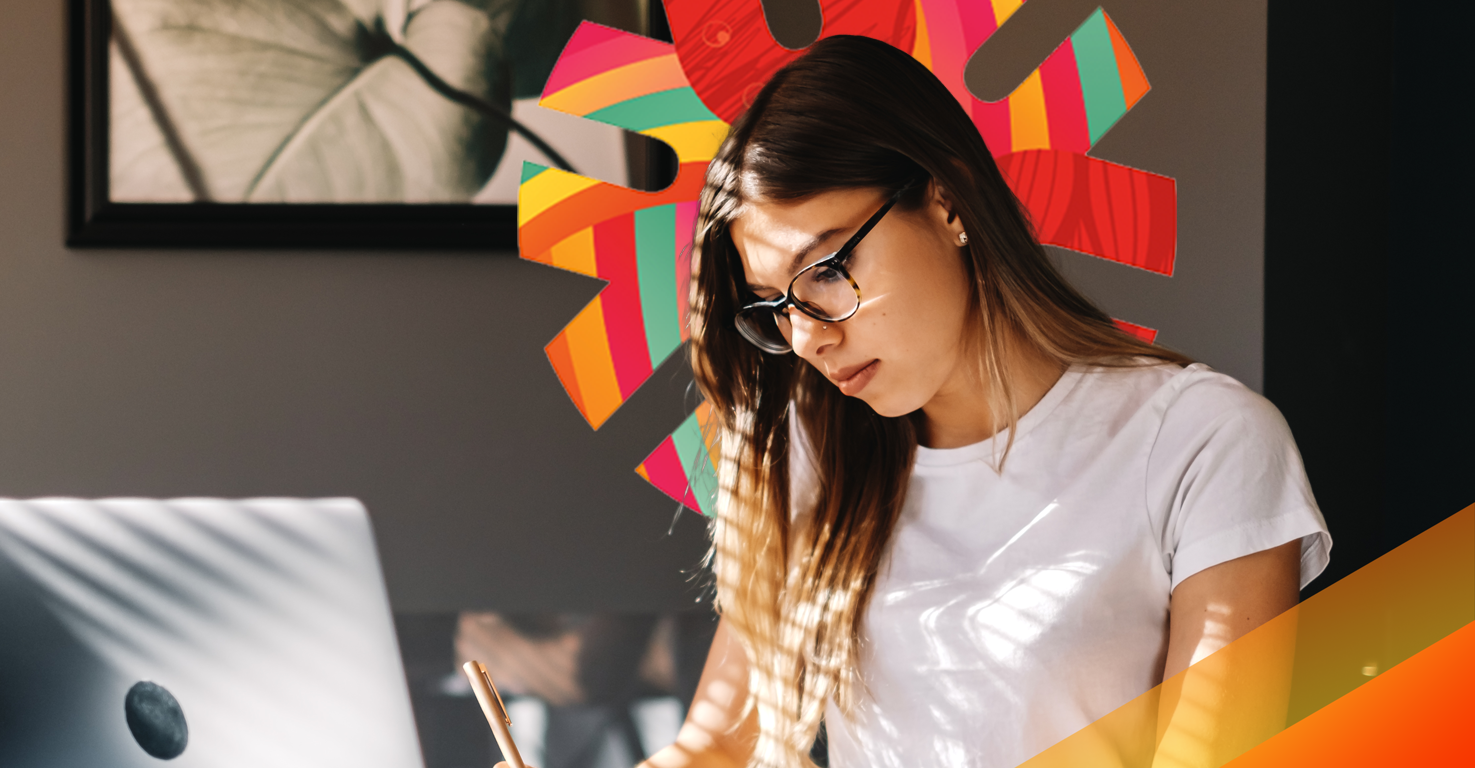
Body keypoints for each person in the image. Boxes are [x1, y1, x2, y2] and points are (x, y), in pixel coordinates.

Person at [501, 35, 1329, 768]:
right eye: (773, 307)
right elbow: (723, 743)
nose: (807, 337)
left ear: (947, 200)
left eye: (825, 271)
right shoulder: (820, 455)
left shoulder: (1203, 444)